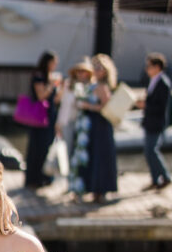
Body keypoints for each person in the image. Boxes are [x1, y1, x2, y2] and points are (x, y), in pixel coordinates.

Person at [69, 53, 118, 204]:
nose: (96, 70)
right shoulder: (91, 85)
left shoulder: (102, 87)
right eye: (95, 67)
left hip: (100, 125)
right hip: (89, 125)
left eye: (99, 68)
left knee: (99, 156)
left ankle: (100, 189)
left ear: (105, 71)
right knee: (90, 156)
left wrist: (87, 106)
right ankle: (89, 188)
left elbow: (106, 107)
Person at [24, 50, 62, 189]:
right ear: (47, 63)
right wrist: (52, 85)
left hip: (50, 116)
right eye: (53, 63)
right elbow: (41, 96)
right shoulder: (39, 77)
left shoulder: (49, 77)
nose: (55, 65)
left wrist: (60, 88)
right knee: (37, 147)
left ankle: (46, 176)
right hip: (39, 118)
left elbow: (56, 100)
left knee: (47, 146)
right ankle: (34, 179)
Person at [136, 52, 172, 190]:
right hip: (150, 121)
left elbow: (161, 106)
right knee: (148, 151)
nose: (147, 69)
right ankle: (156, 179)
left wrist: (146, 105)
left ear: (157, 67)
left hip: (156, 122)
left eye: (149, 66)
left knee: (152, 150)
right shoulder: (154, 80)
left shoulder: (163, 83)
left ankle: (165, 177)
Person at [56, 56, 94, 160]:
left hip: (83, 123)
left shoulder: (90, 87)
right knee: (68, 151)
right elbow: (63, 105)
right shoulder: (68, 84)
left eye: (83, 71)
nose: (81, 74)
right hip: (68, 122)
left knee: (81, 151)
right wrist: (59, 123)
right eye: (79, 71)